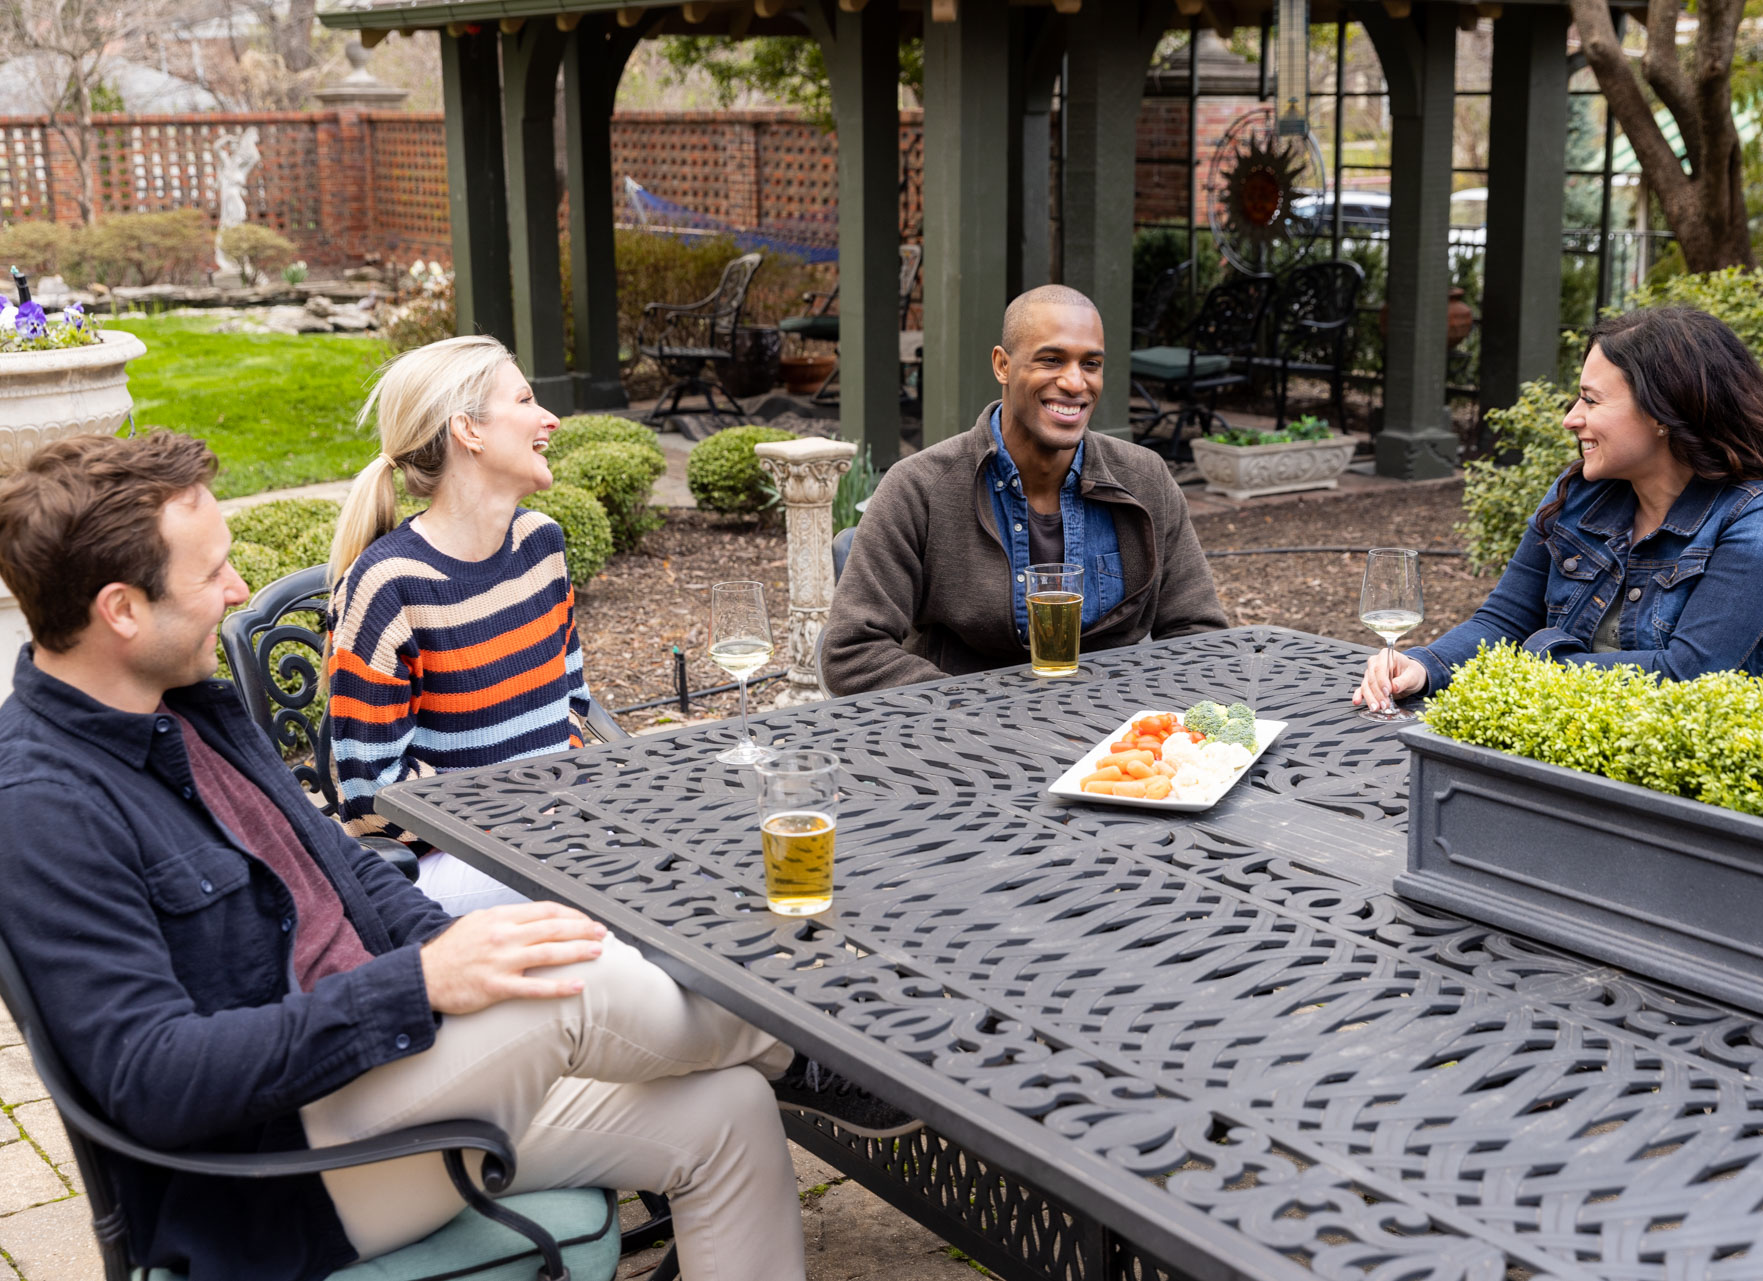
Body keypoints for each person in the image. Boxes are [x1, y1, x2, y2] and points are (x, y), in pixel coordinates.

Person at [0, 430, 915, 1281]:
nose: (240, 590)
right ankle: (839, 1048)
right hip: (282, 1172)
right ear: (120, 609)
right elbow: (151, 1077)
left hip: (391, 1080)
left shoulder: (189, 706)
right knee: (565, 983)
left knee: (725, 1114)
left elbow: (344, 866)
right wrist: (420, 983)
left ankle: (810, 1053)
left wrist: (448, 950)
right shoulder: (44, 806)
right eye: (213, 573)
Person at [1354, 306, 1763, 712]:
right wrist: (1423, 666)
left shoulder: (1758, 518)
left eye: (1591, 400)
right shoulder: (1580, 493)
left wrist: (1535, 658)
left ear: (1662, 413)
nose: (1570, 418)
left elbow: (1688, 678)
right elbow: (1503, 622)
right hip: (1557, 740)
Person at [823, 284, 1226, 694]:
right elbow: (852, 652)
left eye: (1091, 364)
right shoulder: (920, 488)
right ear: (1003, 365)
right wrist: (983, 713)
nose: (1074, 382)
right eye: (1051, 360)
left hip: (1115, 736)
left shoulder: (1145, 479)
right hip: (964, 736)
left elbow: (1199, 634)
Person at [326, 335, 580, 915]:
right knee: (614, 889)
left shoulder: (540, 543)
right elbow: (370, 798)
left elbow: (572, 701)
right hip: (441, 866)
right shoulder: (389, 585)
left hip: (556, 828)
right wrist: (520, 810)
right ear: (469, 431)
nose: (550, 419)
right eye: (524, 401)